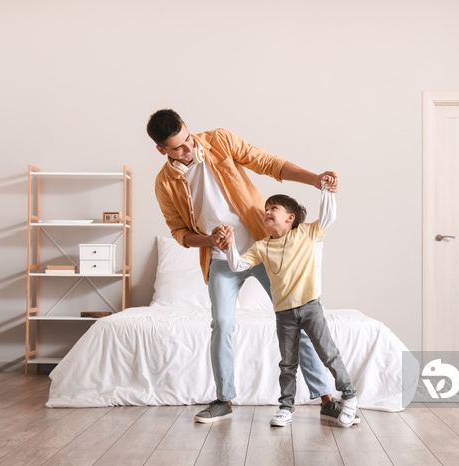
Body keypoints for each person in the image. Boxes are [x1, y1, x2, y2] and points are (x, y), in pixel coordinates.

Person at [148, 109, 355, 425]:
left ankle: (326, 398)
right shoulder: (165, 183)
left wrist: (314, 179)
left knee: (296, 315)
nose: (189, 150)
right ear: (162, 150)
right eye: (178, 148)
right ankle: (224, 399)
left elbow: (268, 163)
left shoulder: (219, 140)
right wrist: (210, 240)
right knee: (221, 323)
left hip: (263, 250)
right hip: (221, 258)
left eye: (188, 139)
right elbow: (179, 233)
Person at [222, 182, 358, 427]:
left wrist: (326, 189)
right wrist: (229, 245)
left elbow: (329, 216)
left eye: (273, 208)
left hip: (310, 307)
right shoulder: (262, 246)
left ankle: (349, 396)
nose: (267, 212)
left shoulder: (304, 233)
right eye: (265, 209)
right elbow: (237, 266)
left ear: (290, 218)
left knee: (328, 354)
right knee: (287, 364)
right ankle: (286, 407)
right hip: (283, 313)